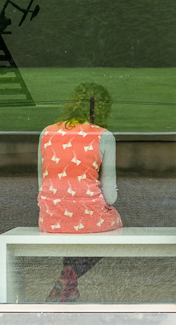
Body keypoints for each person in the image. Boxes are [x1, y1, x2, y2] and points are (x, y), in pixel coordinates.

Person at [38, 83, 122, 302]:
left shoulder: (46, 132)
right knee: (112, 226)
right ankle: (70, 277)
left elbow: (42, 184)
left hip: (51, 218)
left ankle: (69, 283)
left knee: (70, 216)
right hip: (88, 217)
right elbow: (111, 197)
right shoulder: (104, 136)